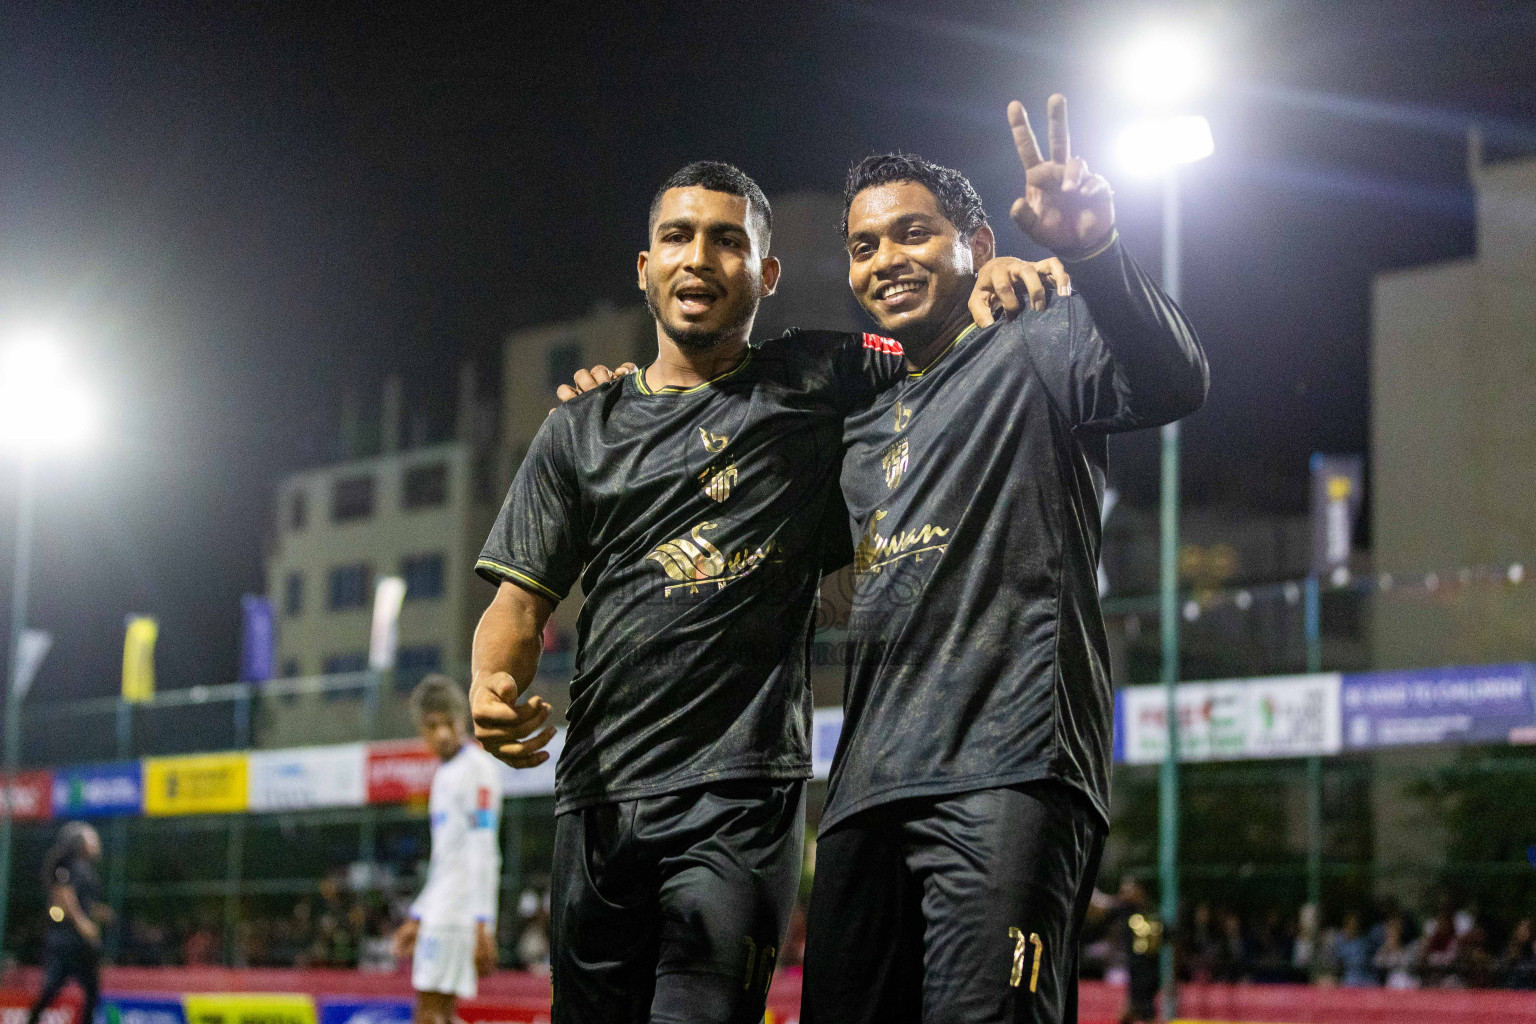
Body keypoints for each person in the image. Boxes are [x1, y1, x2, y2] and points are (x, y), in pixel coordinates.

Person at [469, 160, 1055, 1024]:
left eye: (727, 241)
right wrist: (492, 684)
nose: (698, 258)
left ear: (765, 274)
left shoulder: (824, 376)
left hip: (739, 802)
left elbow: (936, 341)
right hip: (595, 799)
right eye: (677, 236)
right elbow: (518, 606)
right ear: (645, 267)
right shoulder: (577, 429)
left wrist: (987, 284)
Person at [801, 95, 1206, 1024]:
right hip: (865, 790)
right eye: (865, 247)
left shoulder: (1035, 334)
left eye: (912, 234)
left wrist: (1095, 251)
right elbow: (837, 594)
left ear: (975, 244)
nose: (885, 260)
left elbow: (1175, 378)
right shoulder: (859, 424)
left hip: (1009, 769)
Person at [393, 675, 504, 1024]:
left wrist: (483, 923)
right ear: (421, 731)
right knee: (438, 1013)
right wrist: (420, 913)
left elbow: (483, 849)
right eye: (432, 726)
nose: (442, 734)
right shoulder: (445, 774)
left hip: (457, 914)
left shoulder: (477, 770)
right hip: (442, 910)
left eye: (448, 724)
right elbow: (446, 858)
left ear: (463, 722)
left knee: (429, 1014)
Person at [27, 822, 107, 1024]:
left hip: (74, 941)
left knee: (90, 990)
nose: (96, 843)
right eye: (91, 839)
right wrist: (83, 923)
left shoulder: (84, 869)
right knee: (55, 989)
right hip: (68, 940)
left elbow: (80, 900)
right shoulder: (72, 866)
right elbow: (65, 895)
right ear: (79, 843)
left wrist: (99, 913)